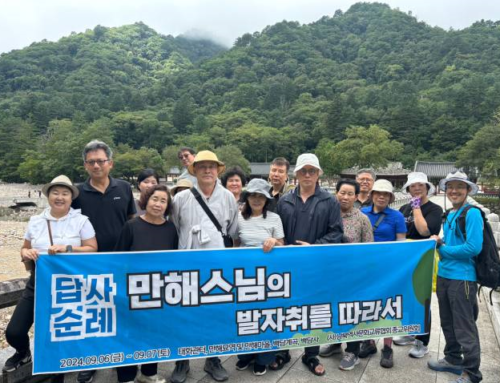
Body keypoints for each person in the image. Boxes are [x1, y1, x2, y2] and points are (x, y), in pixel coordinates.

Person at [2, 175, 97, 376]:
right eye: (55, 192)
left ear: (71, 198)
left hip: (70, 285)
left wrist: (67, 248)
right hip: (38, 282)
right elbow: (24, 249)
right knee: (14, 331)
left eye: (65, 193)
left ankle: (79, 364)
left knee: (65, 333)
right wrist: (25, 253)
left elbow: (92, 248)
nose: (60, 197)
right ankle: (23, 352)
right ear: (48, 196)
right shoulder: (36, 221)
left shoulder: (81, 221)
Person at [171, 150, 239, 383]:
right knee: (184, 312)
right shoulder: (181, 198)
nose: (207, 170)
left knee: (215, 312)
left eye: (212, 166)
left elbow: (232, 230)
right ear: (195, 170)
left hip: (217, 265)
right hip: (187, 263)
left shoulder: (228, 197)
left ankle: (213, 359)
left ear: (218, 170)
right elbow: (176, 227)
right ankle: (182, 361)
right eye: (202, 167)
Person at [71, 140, 136, 383]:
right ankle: (90, 360)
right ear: (85, 165)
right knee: (90, 314)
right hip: (89, 263)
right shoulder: (77, 193)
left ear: (110, 163)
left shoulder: (124, 188)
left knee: (121, 312)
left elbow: (133, 220)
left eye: (101, 160)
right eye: (91, 162)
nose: (96, 165)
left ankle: (123, 361)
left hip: (121, 261)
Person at [276, 153, 343, 376]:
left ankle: (310, 353)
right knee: (286, 308)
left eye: (311, 171)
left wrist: (313, 246)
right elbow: (277, 232)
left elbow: (336, 233)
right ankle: (283, 351)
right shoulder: (285, 200)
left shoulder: (329, 201)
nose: (307, 175)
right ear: (296, 174)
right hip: (288, 265)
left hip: (317, 265)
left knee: (314, 309)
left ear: (318, 174)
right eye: (303, 171)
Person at [114, 184, 178, 383]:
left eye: (163, 201)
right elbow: (118, 258)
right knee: (129, 333)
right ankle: (126, 376)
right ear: (146, 200)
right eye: (154, 199)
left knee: (154, 332)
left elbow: (174, 259)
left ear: (167, 206)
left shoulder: (170, 228)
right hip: (132, 290)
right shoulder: (131, 226)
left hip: (159, 289)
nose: (158, 204)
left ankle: (149, 373)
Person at [428, 171, 483, 383]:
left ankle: (472, 372)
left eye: (460, 186)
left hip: (463, 278)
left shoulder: (472, 213)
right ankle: (452, 358)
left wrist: (442, 249)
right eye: (450, 186)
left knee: (464, 325)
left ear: (468, 190)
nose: (454, 191)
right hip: (444, 275)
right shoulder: (450, 214)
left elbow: (473, 247)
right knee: (447, 322)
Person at [319, 179, 373, 371]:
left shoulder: (362, 219)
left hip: (353, 274)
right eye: (342, 192)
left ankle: (353, 351)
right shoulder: (327, 215)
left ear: (357, 197)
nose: (345, 197)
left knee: (352, 311)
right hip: (330, 272)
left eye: (350, 193)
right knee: (333, 309)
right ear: (336, 193)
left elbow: (368, 250)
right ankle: (335, 342)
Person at [234, 178, 284, 376]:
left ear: (266, 199)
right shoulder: (238, 217)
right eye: (253, 195)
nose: (256, 199)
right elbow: (235, 243)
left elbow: (282, 243)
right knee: (245, 316)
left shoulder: (274, 218)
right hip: (245, 276)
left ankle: (264, 358)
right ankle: (245, 355)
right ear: (247, 198)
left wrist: (274, 241)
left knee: (267, 316)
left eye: (260, 196)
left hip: (269, 275)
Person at [393, 172, 443, 358]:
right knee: (405, 297)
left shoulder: (434, 209)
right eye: (413, 186)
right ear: (407, 189)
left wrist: (416, 207)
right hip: (405, 259)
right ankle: (409, 331)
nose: (417, 188)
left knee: (422, 299)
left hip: (422, 259)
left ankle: (422, 341)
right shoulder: (403, 209)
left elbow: (424, 231)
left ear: (427, 188)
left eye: (421, 185)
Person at [360, 179, 406, 368]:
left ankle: (387, 347)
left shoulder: (397, 217)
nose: (381, 196)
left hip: (387, 268)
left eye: (385, 194)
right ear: (371, 195)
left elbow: (401, 243)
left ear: (390, 197)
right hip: (365, 267)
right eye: (378, 193)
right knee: (367, 304)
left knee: (388, 306)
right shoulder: (361, 213)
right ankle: (369, 341)